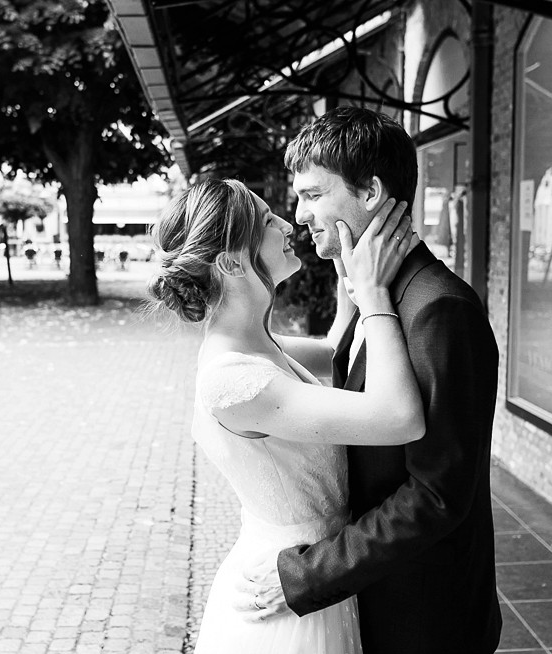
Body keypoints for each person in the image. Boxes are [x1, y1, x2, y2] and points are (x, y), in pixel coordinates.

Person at [234, 106, 502, 653]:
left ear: (371, 192)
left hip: (422, 615)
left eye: (313, 195)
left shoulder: (436, 309)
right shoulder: (369, 287)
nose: (299, 214)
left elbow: (436, 494)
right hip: (376, 595)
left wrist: (311, 576)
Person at [148, 178, 423, 653]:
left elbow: (335, 352)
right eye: (265, 221)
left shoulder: (255, 343)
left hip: (316, 568)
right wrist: (376, 296)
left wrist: (346, 267)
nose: (288, 221)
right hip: (286, 589)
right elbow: (398, 417)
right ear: (232, 262)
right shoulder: (232, 380)